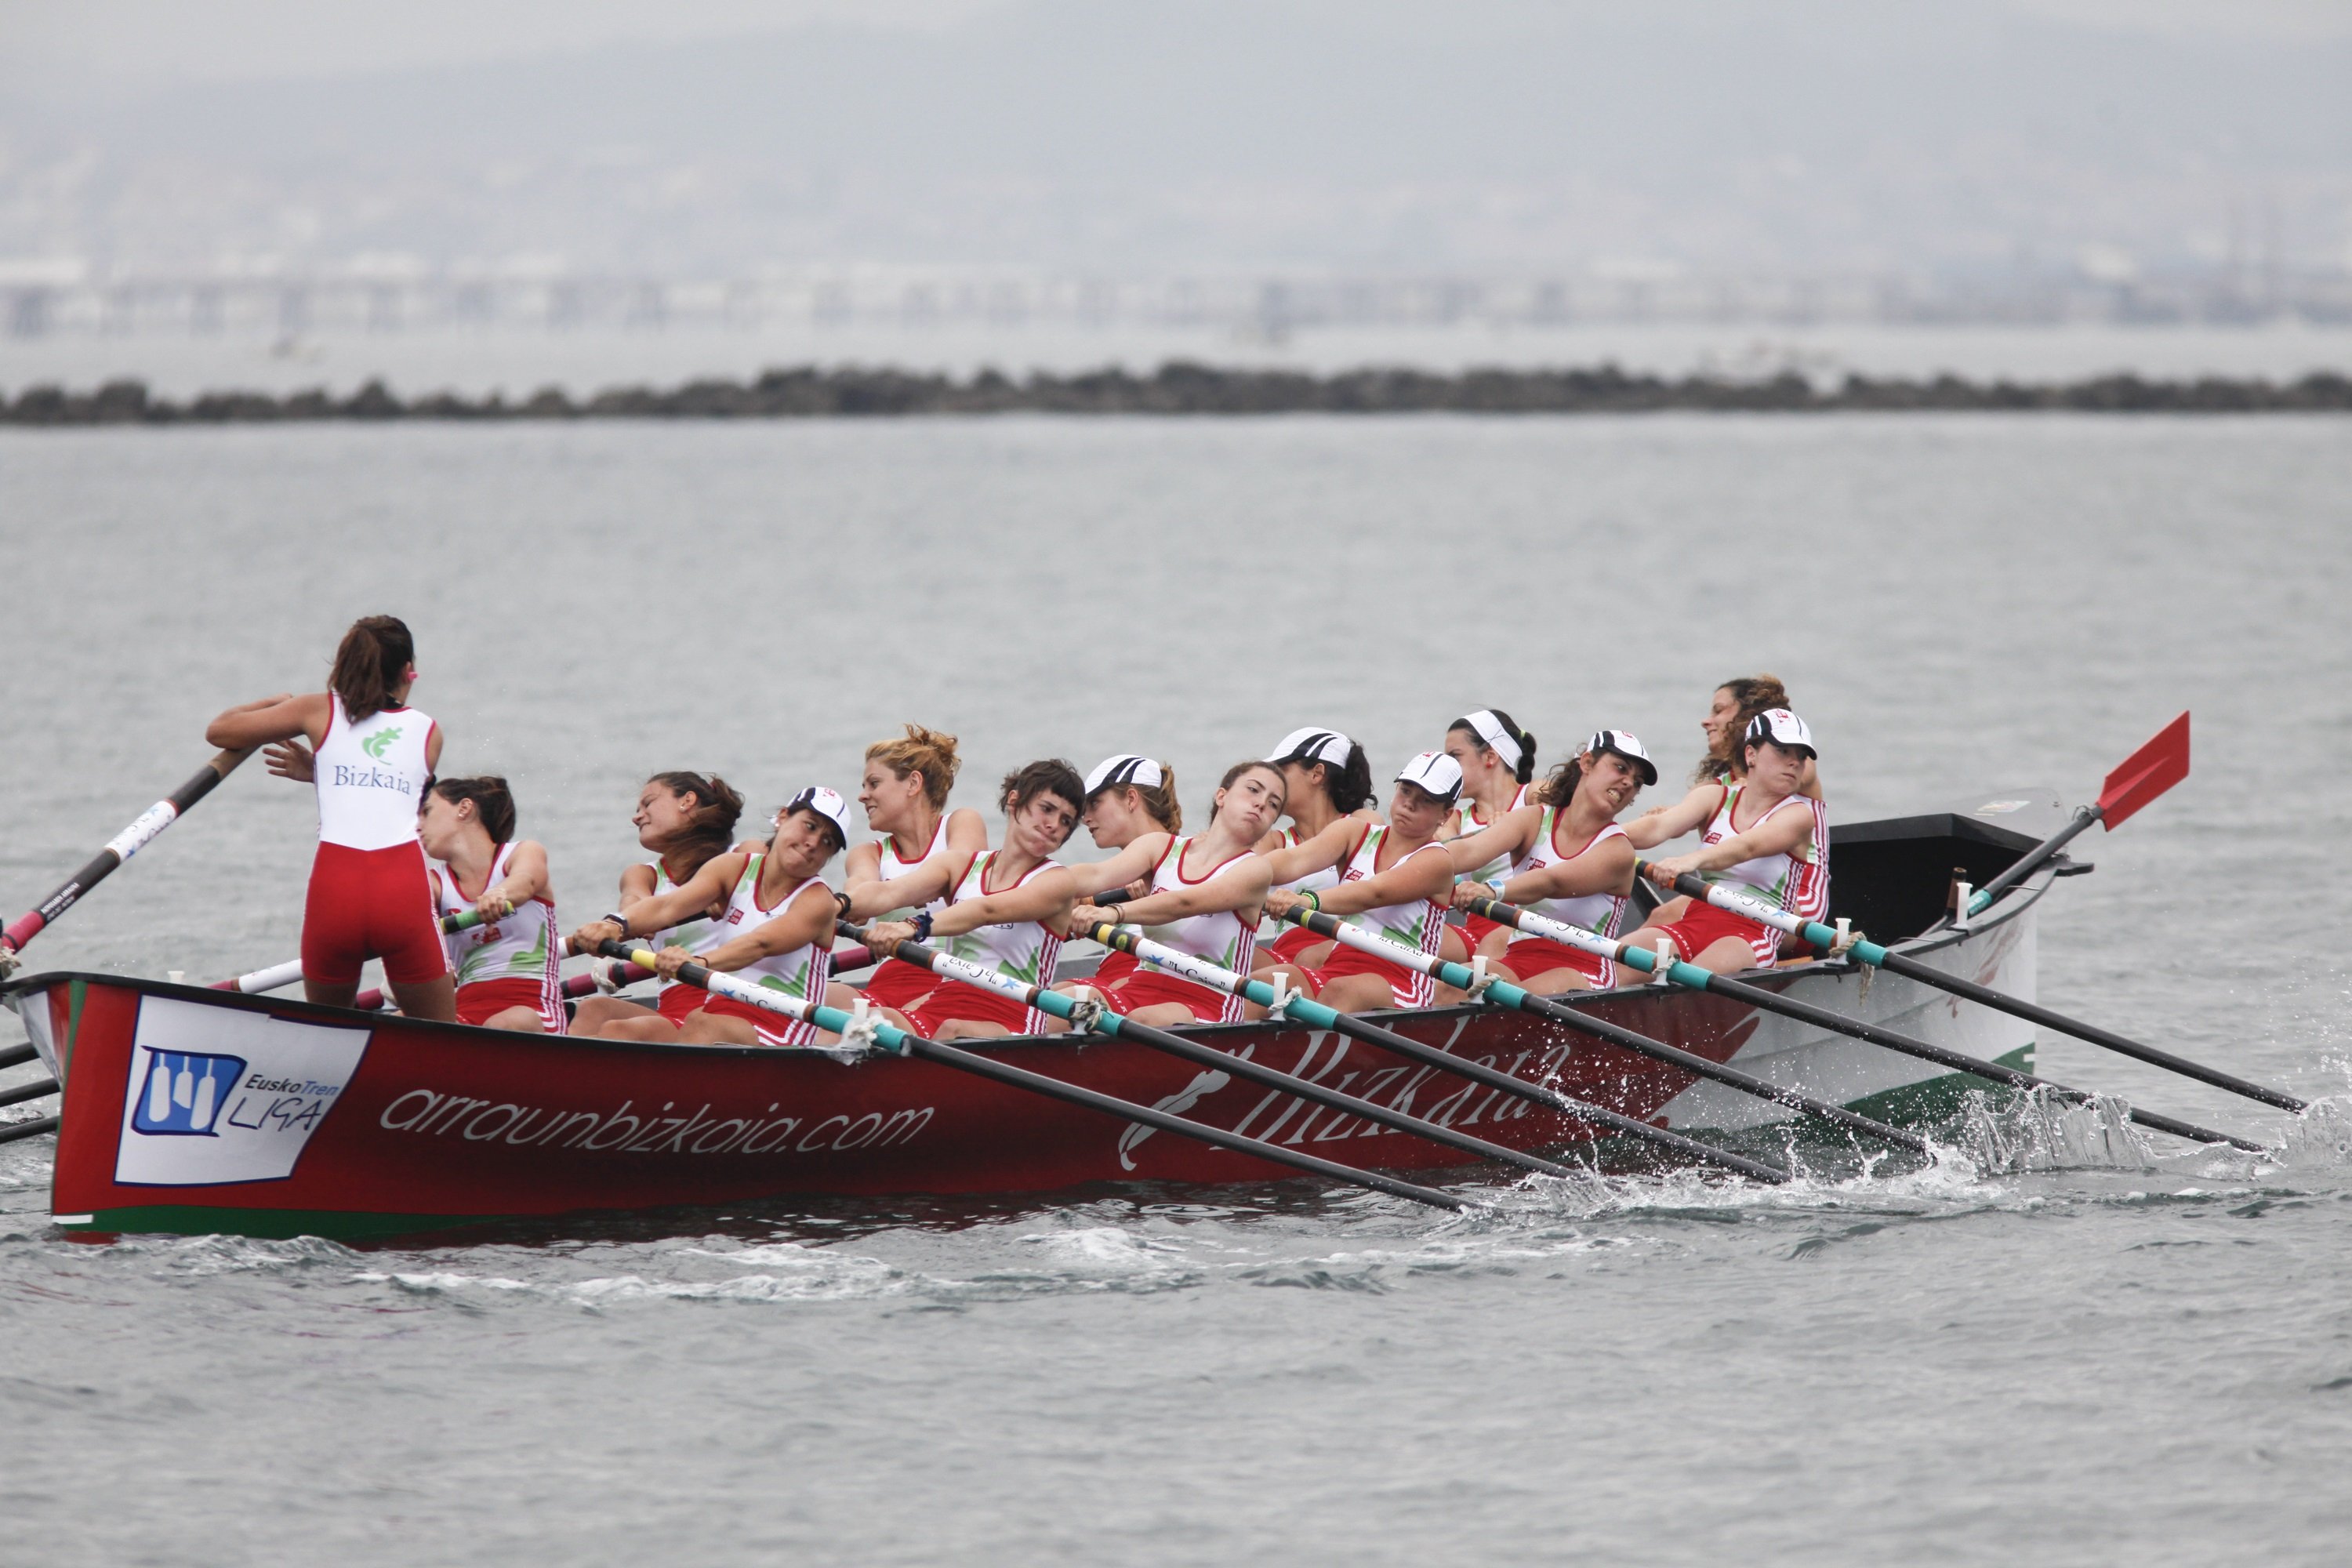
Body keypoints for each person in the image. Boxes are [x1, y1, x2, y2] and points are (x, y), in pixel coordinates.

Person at [204, 615, 456, 1021]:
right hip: (402, 894)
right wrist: (320, 772)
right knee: (445, 1038)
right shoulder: (429, 731)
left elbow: (221, 731)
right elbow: (400, 794)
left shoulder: (313, 711)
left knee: (329, 1037)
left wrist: (274, 706)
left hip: (334, 894)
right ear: (408, 673)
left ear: (342, 666)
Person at [568, 788, 855, 1046]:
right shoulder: (734, 868)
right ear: (782, 818)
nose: (813, 843)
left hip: (783, 1028)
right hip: (720, 1014)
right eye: (810, 826)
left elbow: (760, 944)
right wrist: (615, 924)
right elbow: (667, 907)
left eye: (827, 842)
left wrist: (699, 963)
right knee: (606, 1019)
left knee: (701, 1022)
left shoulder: (817, 900)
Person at [862, 760, 1085, 1040]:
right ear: (1014, 801)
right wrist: (840, 906)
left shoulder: (1057, 882)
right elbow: (890, 892)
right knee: (874, 1019)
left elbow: (985, 910)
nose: (1053, 825)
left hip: (1011, 1018)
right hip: (941, 1004)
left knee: (954, 1030)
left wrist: (912, 927)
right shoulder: (962, 866)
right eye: (1047, 809)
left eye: (1066, 821)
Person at [1064, 761, 1285, 1027]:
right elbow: (1094, 876)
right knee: (1065, 1003)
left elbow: (1184, 902)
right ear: (1221, 796)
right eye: (1253, 790)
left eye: (1274, 804)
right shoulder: (1160, 847)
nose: (1261, 804)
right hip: (1140, 987)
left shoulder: (1255, 870)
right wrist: (1027, 884)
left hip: (1209, 1002)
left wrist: (1112, 912)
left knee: (1139, 1020)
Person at [1621, 710, 1830, 975]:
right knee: (1614, 964)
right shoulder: (1714, 797)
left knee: (1687, 984)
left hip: (1751, 934)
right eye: (1783, 751)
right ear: (1751, 754)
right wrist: (1603, 836)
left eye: (1801, 757)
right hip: (1695, 921)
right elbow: (1658, 827)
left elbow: (1748, 847)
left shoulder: (1798, 815)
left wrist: (1689, 860)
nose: (1794, 763)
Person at [1446, 731, 1655, 994]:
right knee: (1448, 988)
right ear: (1587, 763)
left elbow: (1552, 881)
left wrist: (1492, 890)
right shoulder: (1533, 820)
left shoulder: (1617, 849)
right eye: (1621, 769)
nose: (1627, 783)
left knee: (1518, 997)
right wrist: (1402, 865)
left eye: (1637, 782)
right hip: (1519, 957)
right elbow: (1468, 851)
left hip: (1583, 969)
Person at [1261, 752, 1461, 1012]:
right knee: (1266, 982)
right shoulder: (1354, 833)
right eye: (1406, 791)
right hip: (1338, 968)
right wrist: (1230, 873)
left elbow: (1374, 893)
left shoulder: (1437, 861)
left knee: (1341, 991)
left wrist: (1307, 900)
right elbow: (1291, 861)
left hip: (1402, 982)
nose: (1409, 804)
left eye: (1426, 800)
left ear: (1445, 815)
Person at [564, 772, 747, 1038]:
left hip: (737, 1004)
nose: (636, 817)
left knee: (620, 1030)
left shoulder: (744, 855)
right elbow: (635, 906)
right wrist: (617, 924)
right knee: (594, 1009)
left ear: (687, 801)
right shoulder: (642, 875)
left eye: (647, 804)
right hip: (676, 1008)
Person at [841, 725, 989, 1022]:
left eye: (873, 784)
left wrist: (883, 898)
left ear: (913, 783)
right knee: (802, 999)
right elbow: (859, 893)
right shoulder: (867, 853)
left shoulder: (961, 824)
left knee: (875, 1020)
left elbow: (951, 876)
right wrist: (844, 904)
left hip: (955, 979)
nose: (862, 796)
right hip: (887, 985)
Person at [419, 775, 563, 1031]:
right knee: (402, 1019)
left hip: (535, 1013)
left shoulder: (522, 853)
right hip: (465, 1014)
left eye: (426, 812)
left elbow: (526, 880)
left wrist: (499, 894)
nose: (417, 827)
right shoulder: (434, 882)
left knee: (503, 1024)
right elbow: (402, 915)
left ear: (464, 808)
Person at [1057, 753, 1184, 1000]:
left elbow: (1089, 875)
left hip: (1150, 988)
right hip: (1113, 983)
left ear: (1131, 798)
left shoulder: (1182, 858)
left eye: (1095, 804)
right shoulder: (1118, 878)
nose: (1085, 819)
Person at [1254, 727, 1379, 973]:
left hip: (1350, 953)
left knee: (1307, 960)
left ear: (1317, 773)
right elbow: (1233, 877)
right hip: (1286, 958)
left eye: (1282, 771)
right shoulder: (1273, 841)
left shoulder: (1363, 821)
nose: (1272, 784)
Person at [1439, 708, 1539, 955]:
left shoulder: (1532, 796)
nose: (1446, 769)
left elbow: (1570, 811)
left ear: (1490, 757)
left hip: (1526, 925)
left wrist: (1517, 824)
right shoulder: (1455, 819)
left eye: (1455, 757)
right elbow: (1437, 845)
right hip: (1475, 932)